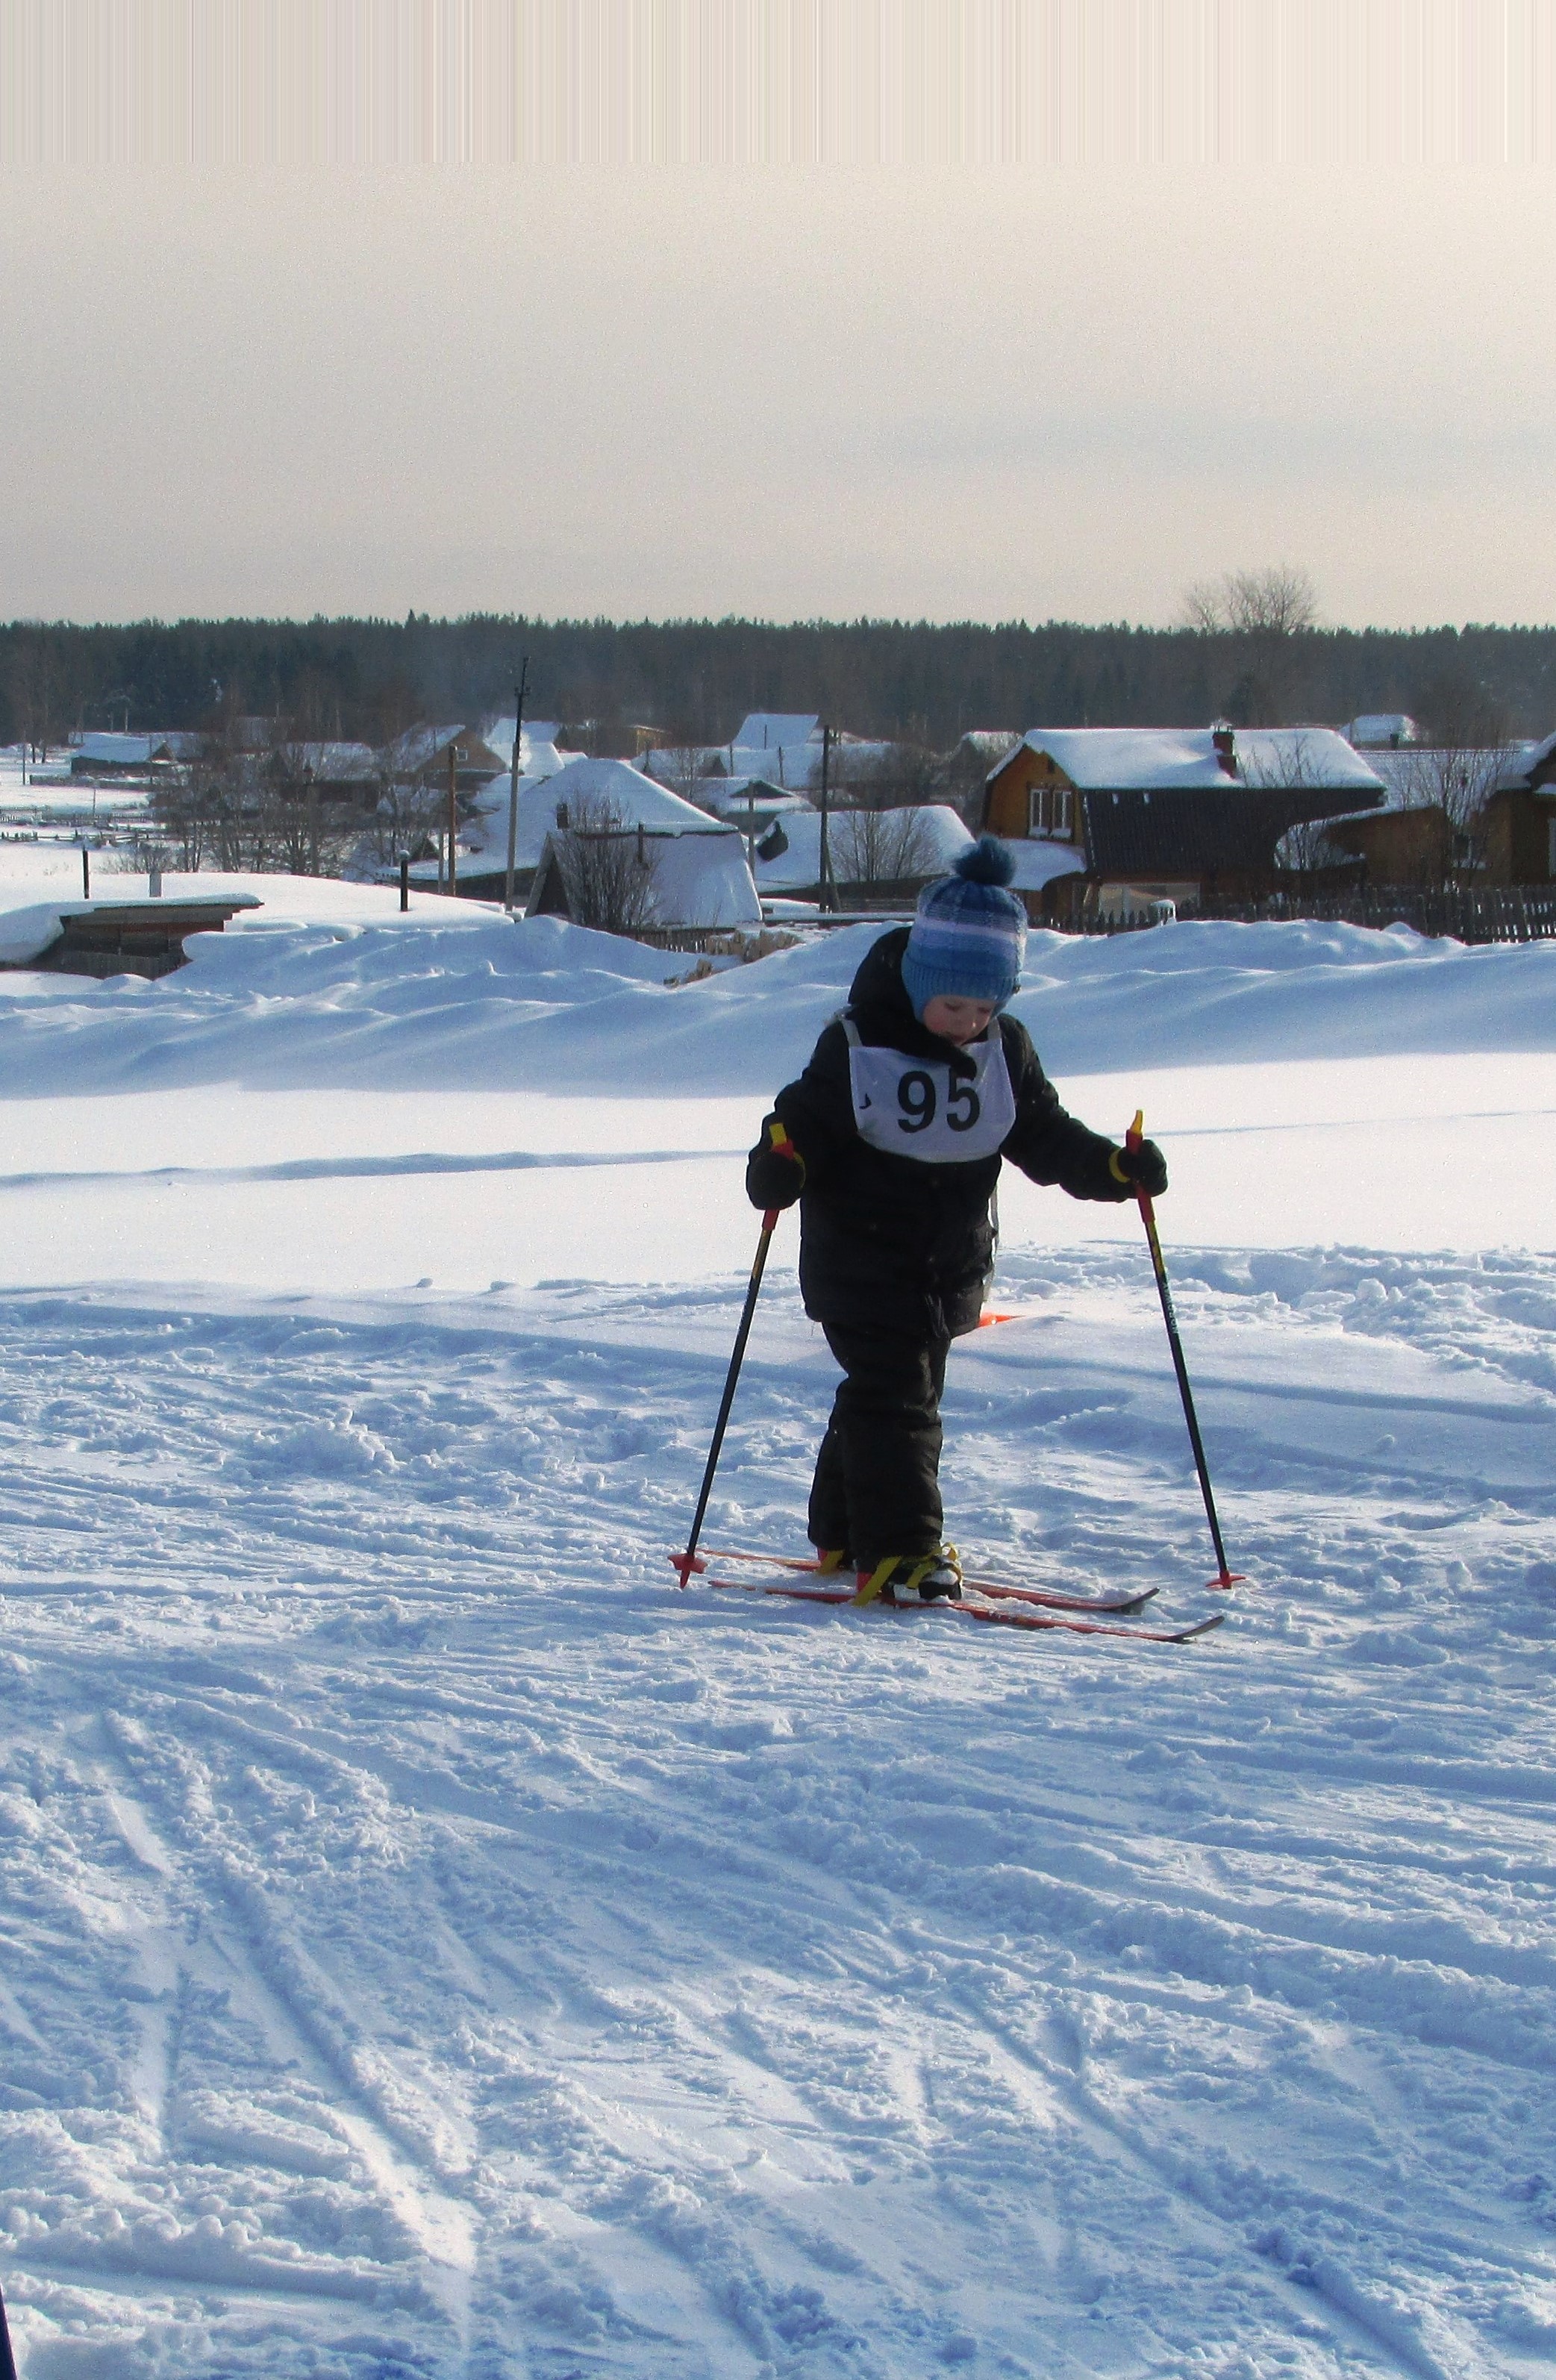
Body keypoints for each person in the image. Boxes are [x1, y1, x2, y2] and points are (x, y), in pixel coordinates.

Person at [746, 835, 1168, 1606]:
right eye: (953, 1005)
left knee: (894, 1395)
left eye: (985, 1007)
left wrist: (1113, 1169)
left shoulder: (1002, 1052)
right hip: (861, 1266)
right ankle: (900, 1552)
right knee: (898, 1400)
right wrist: (781, 1164)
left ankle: (844, 1530)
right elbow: (800, 1121)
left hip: (947, 1267)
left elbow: (1043, 1133)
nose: (967, 1023)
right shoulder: (860, 1047)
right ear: (916, 982)